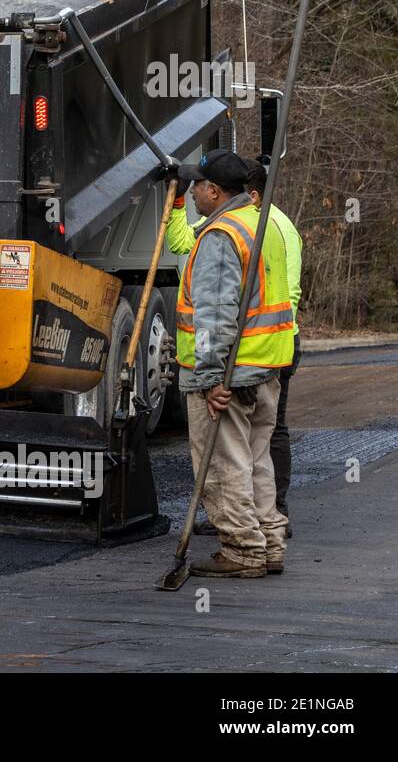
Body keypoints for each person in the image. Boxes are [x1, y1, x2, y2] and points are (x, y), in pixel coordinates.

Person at [173, 149, 294, 578]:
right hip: (266, 369)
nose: (191, 196)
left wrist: (209, 379)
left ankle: (243, 549)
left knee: (225, 466)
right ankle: (269, 542)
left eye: (195, 188)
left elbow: (213, 314)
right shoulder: (265, 226)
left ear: (213, 191)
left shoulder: (220, 235)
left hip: (230, 372)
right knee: (257, 460)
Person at [244, 157, 303, 532]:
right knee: (265, 427)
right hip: (276, 339)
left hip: (271, 342)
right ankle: (260, 511)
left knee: (267, 427)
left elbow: (289, 293)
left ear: (251, 194)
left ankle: (273, 512)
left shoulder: (273, 227)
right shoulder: (273, 223)